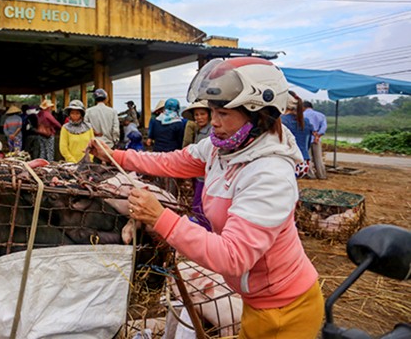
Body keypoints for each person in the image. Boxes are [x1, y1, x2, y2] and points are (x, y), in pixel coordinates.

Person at [89, 57, 323, 339]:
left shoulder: (269, 174)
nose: (213, 122)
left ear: (259, 115)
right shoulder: (223, 148)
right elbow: (173, 162)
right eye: (212, 111)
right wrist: (115, 156)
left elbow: (233, 257)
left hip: (284, 310)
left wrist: (161, 218)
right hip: (256, 300)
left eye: (223, 113)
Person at [180, 99, 212, 230]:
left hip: (205, 176)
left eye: (202, 114)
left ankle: (207, 232)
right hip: (200, 174)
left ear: (209, 115)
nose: (199, 118)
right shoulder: (201, 130)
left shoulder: (211, 133)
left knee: (198, 206)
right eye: (196, 115)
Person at [282, 93, 314, 178]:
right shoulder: (305, 121)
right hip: (304, 162)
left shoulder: (281, 121)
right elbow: (308, 144)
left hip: (289, 161)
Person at [303, 100, 328, 179]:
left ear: (304, 107)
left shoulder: (302, 115)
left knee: (308, 157)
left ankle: (310, 174)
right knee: (318, 157)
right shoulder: (321, 115)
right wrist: (318, 135)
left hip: (306, 138)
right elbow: (324, 127)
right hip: (317, 138)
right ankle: (321, 175)